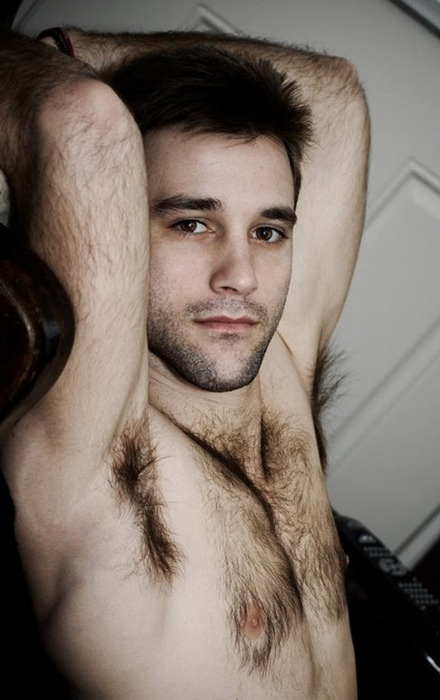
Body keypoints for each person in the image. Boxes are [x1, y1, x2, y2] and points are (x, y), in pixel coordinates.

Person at [0, 25, 369, 699]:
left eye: (268, 231)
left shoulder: (280, 369)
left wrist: (74, 49)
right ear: (122, 229)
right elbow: (80, 121)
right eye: (191, 223)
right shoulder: (98, 450)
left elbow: (334, 91)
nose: (241, 277)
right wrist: (66, 68)